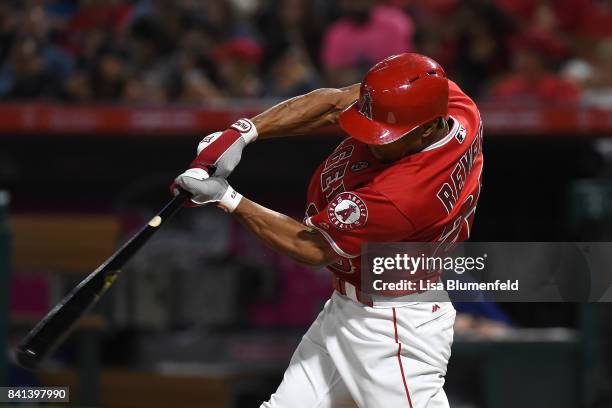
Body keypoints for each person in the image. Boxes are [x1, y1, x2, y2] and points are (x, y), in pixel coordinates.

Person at [173, 53, 483, 408]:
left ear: (428, 129)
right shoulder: (455, 104)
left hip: (392, 326)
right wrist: (243, 132)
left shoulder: (402, 197)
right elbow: (335, 104)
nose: (374, 140)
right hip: (350, 307)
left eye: (387, 134)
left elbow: (312, 247)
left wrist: (227, 198)